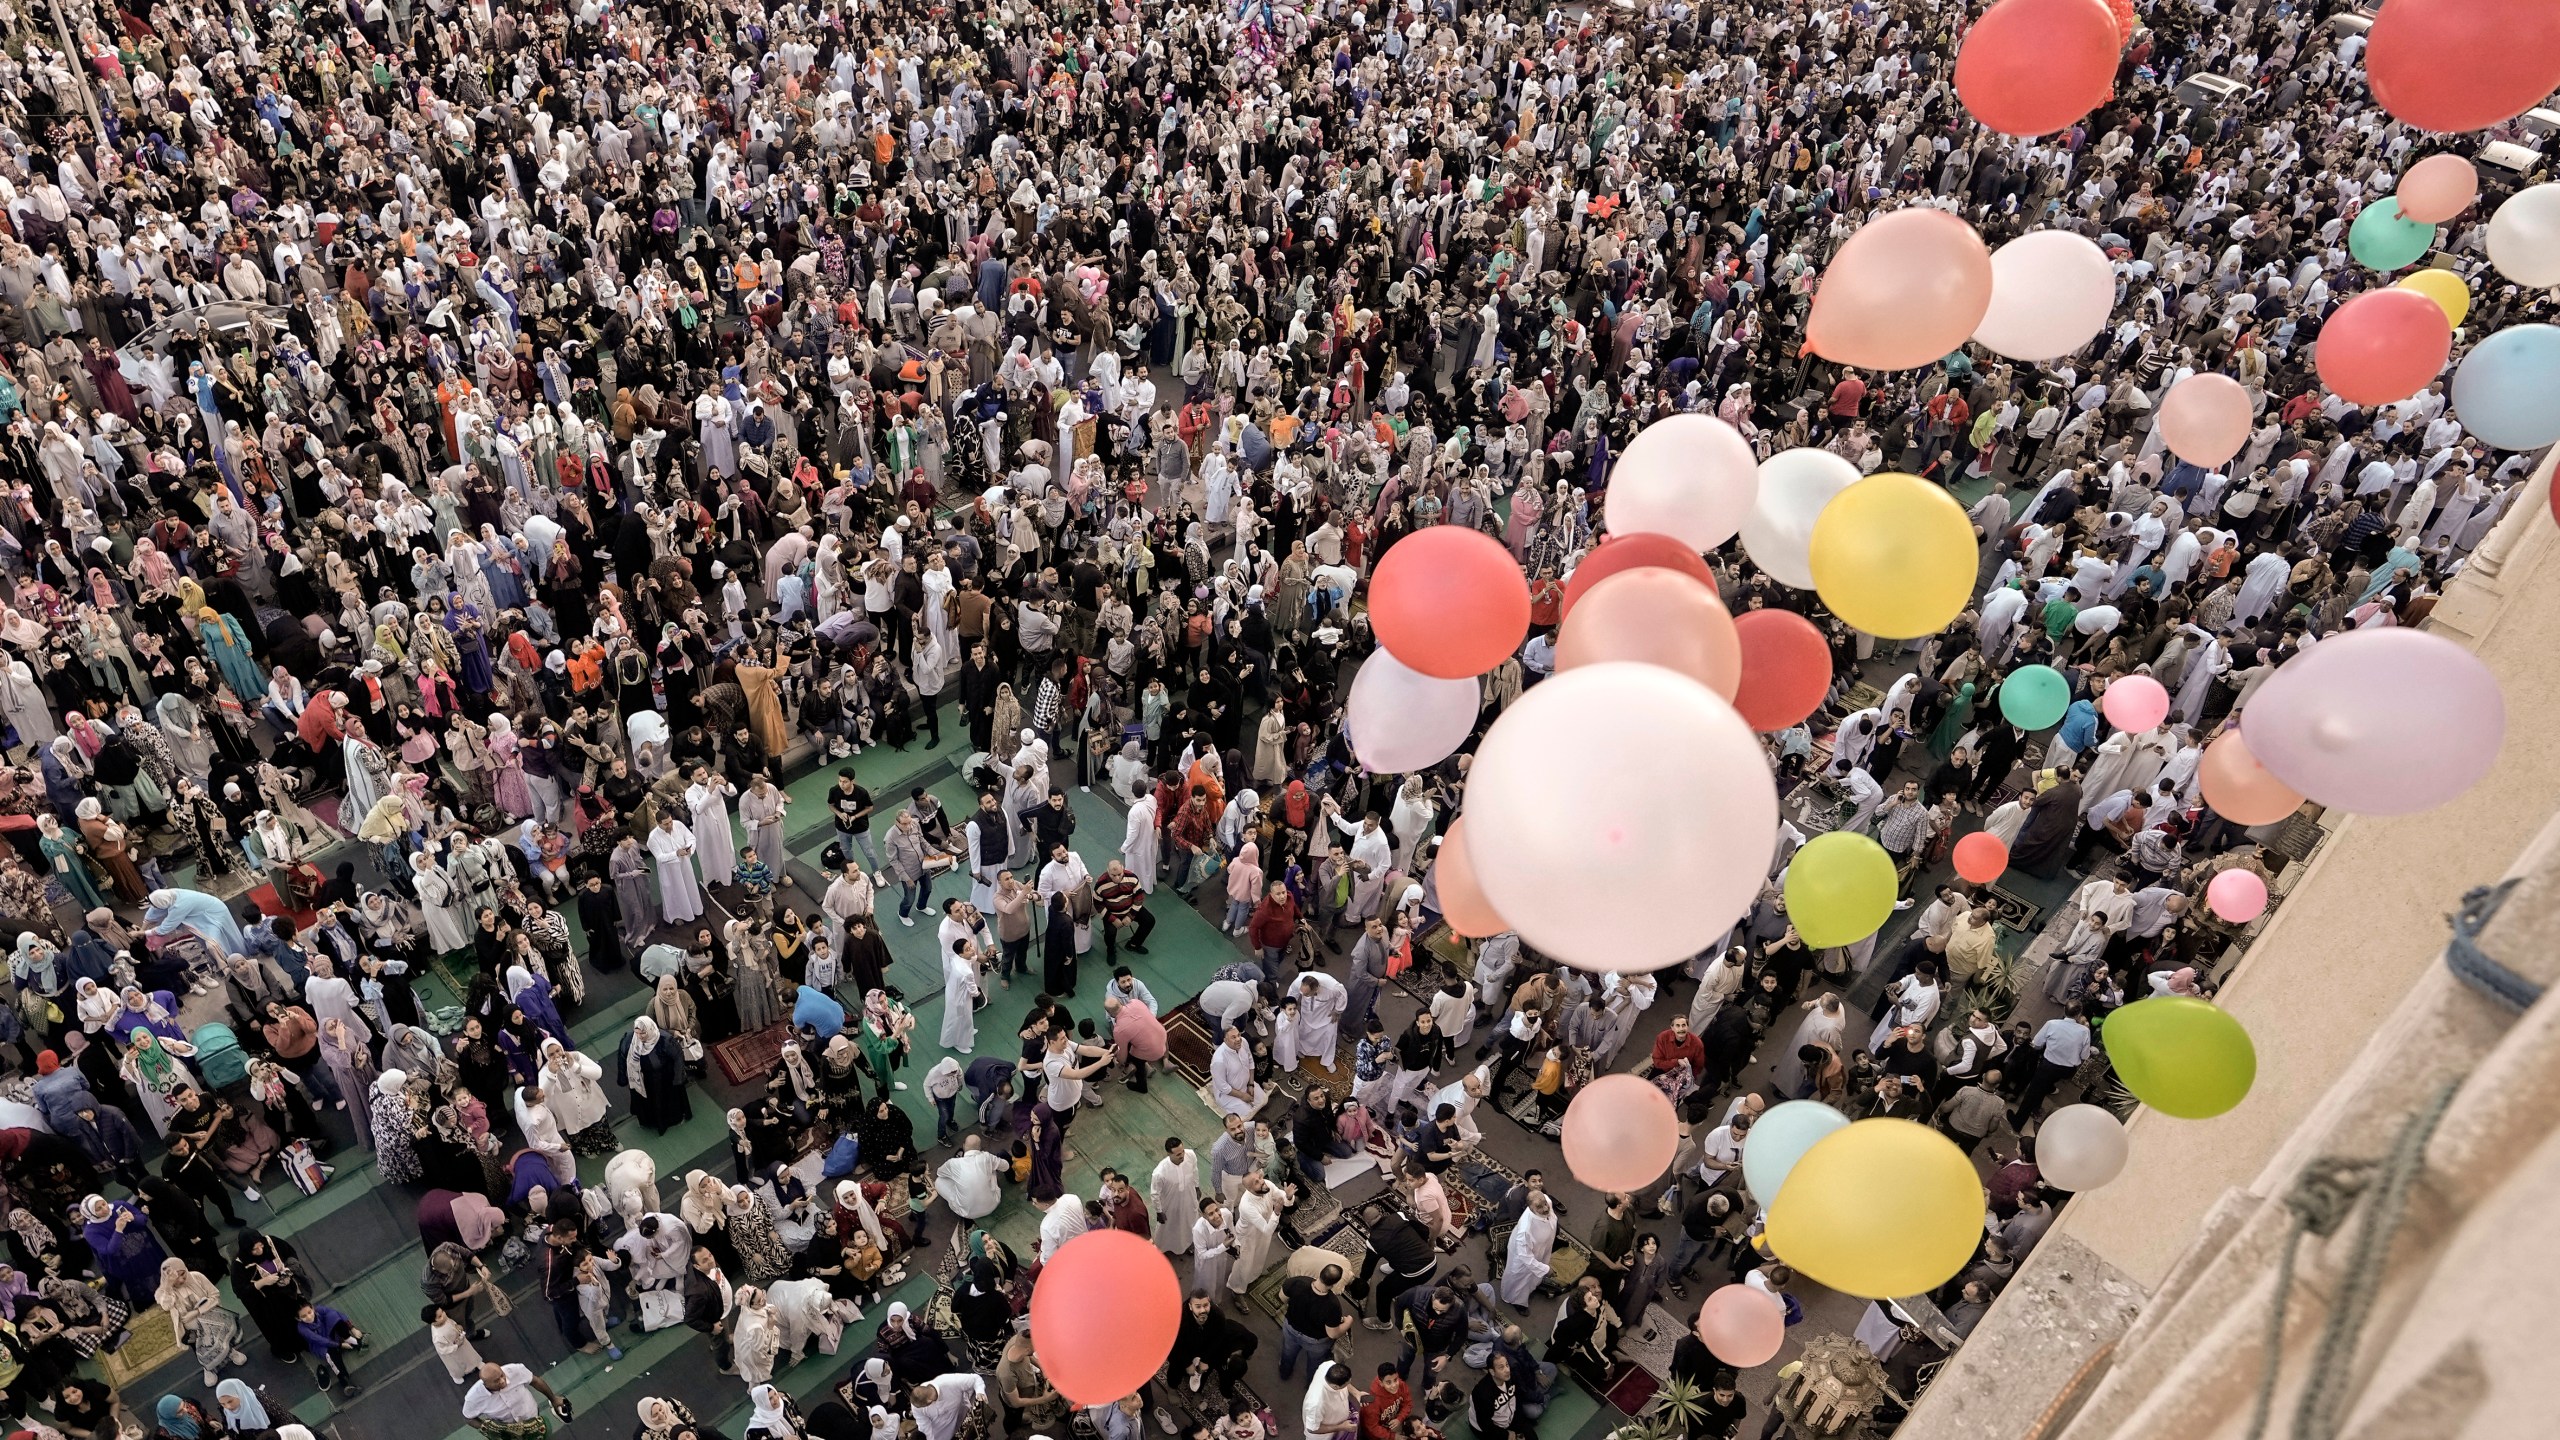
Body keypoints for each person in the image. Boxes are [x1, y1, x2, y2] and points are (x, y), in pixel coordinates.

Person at [461, 1361, 572, 1440]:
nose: (502, 1381)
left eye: (502, 1375)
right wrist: (487, 1428)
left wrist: (553, 1399)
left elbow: (535, 1381)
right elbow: (468, 1417)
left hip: (533, 1418)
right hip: (508, 1433)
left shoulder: (514, 1369)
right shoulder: (473, 1397)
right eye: (496, 1381)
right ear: (485, 1384)